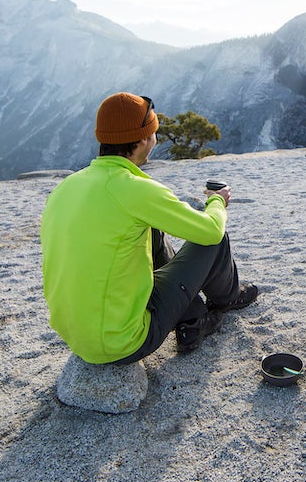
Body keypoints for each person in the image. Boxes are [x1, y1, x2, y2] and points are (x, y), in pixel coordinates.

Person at [41, 92, 258, 363]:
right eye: (155, 131)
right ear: (144, 138)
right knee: (215, 239)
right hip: (121, 342)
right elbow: (211, 230)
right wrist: (217, 201)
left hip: (76, 336)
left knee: (150, 228)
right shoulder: (135, 189)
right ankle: (228, 298)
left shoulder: (67, 187)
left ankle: (192, 320)